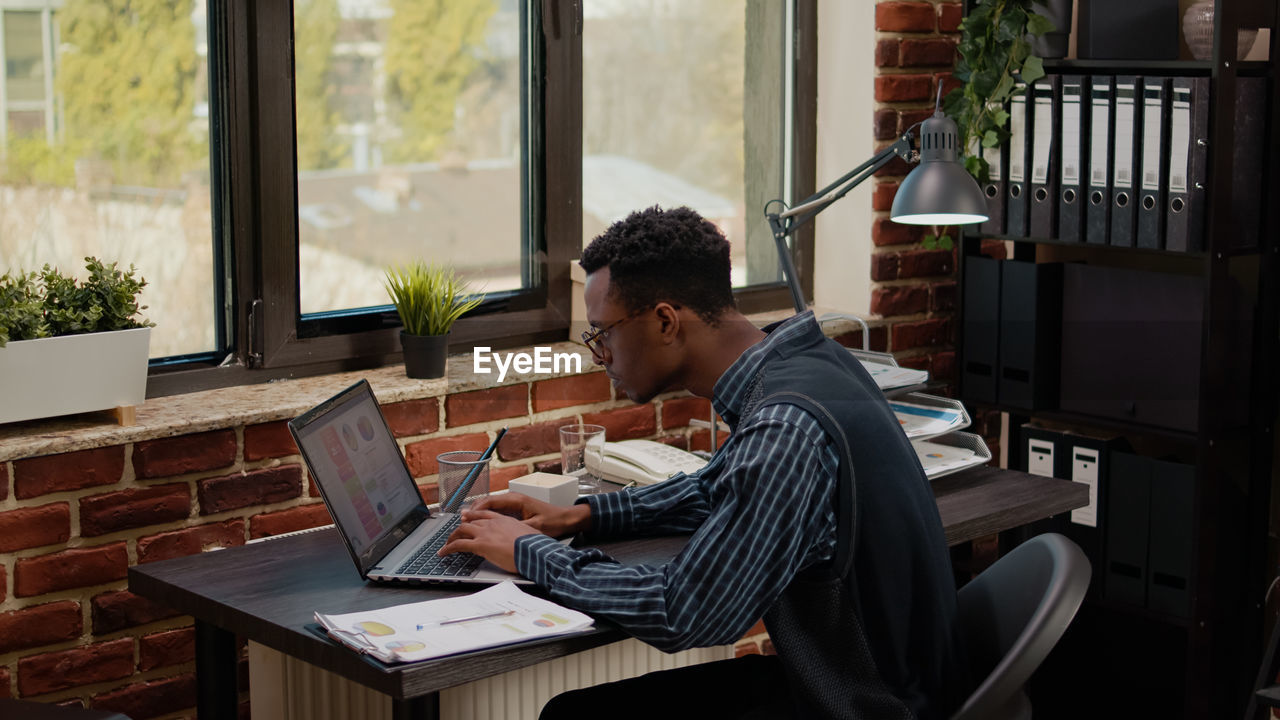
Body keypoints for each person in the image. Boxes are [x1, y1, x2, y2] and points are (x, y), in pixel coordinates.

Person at [440, 205, 966, 719]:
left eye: (603, 334)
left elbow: (685, 611)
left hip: (861, 705)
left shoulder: (783, 429)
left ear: (666, 321)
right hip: (884, 684)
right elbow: (716, 486)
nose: (600, 357)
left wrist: (529, 553)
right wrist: (584, 514)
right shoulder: (809, 359)